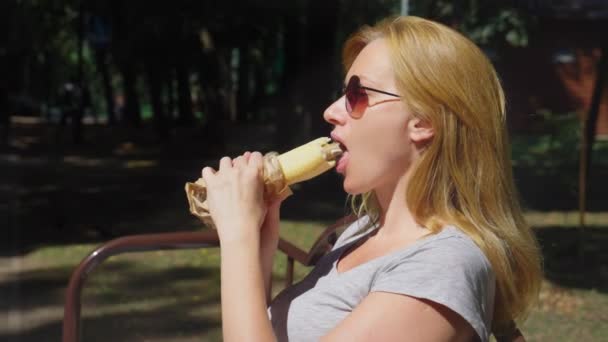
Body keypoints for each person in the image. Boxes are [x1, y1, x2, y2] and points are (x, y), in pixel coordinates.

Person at [201, 16, 542, 342]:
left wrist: (238, 240)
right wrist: (259, 243)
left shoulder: (443, 266)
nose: (331, 111)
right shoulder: (361, 232)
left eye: (356, 95)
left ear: (424, 121)